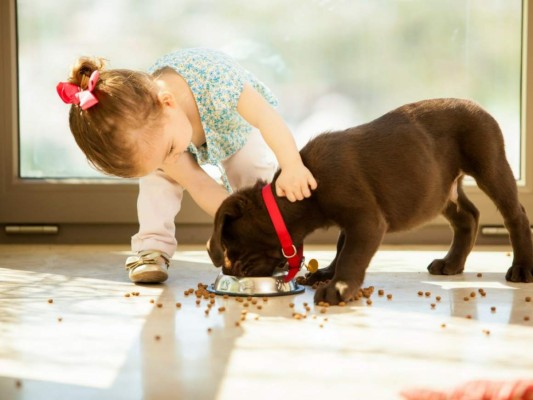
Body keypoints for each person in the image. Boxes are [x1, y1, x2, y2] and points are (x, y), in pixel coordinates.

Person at [57, 47, 317, 283]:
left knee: (251, 168)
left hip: (233, 126)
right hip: (171, 132)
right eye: (159, 160)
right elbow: (198, 183)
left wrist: (292, 164)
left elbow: (265, 117)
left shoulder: (219, 83)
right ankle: (152, 247)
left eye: (168, 151)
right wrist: (228, 226)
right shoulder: (157, 136)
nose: (170, 161)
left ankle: (268, 244)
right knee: (157, 182)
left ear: (168, 103)